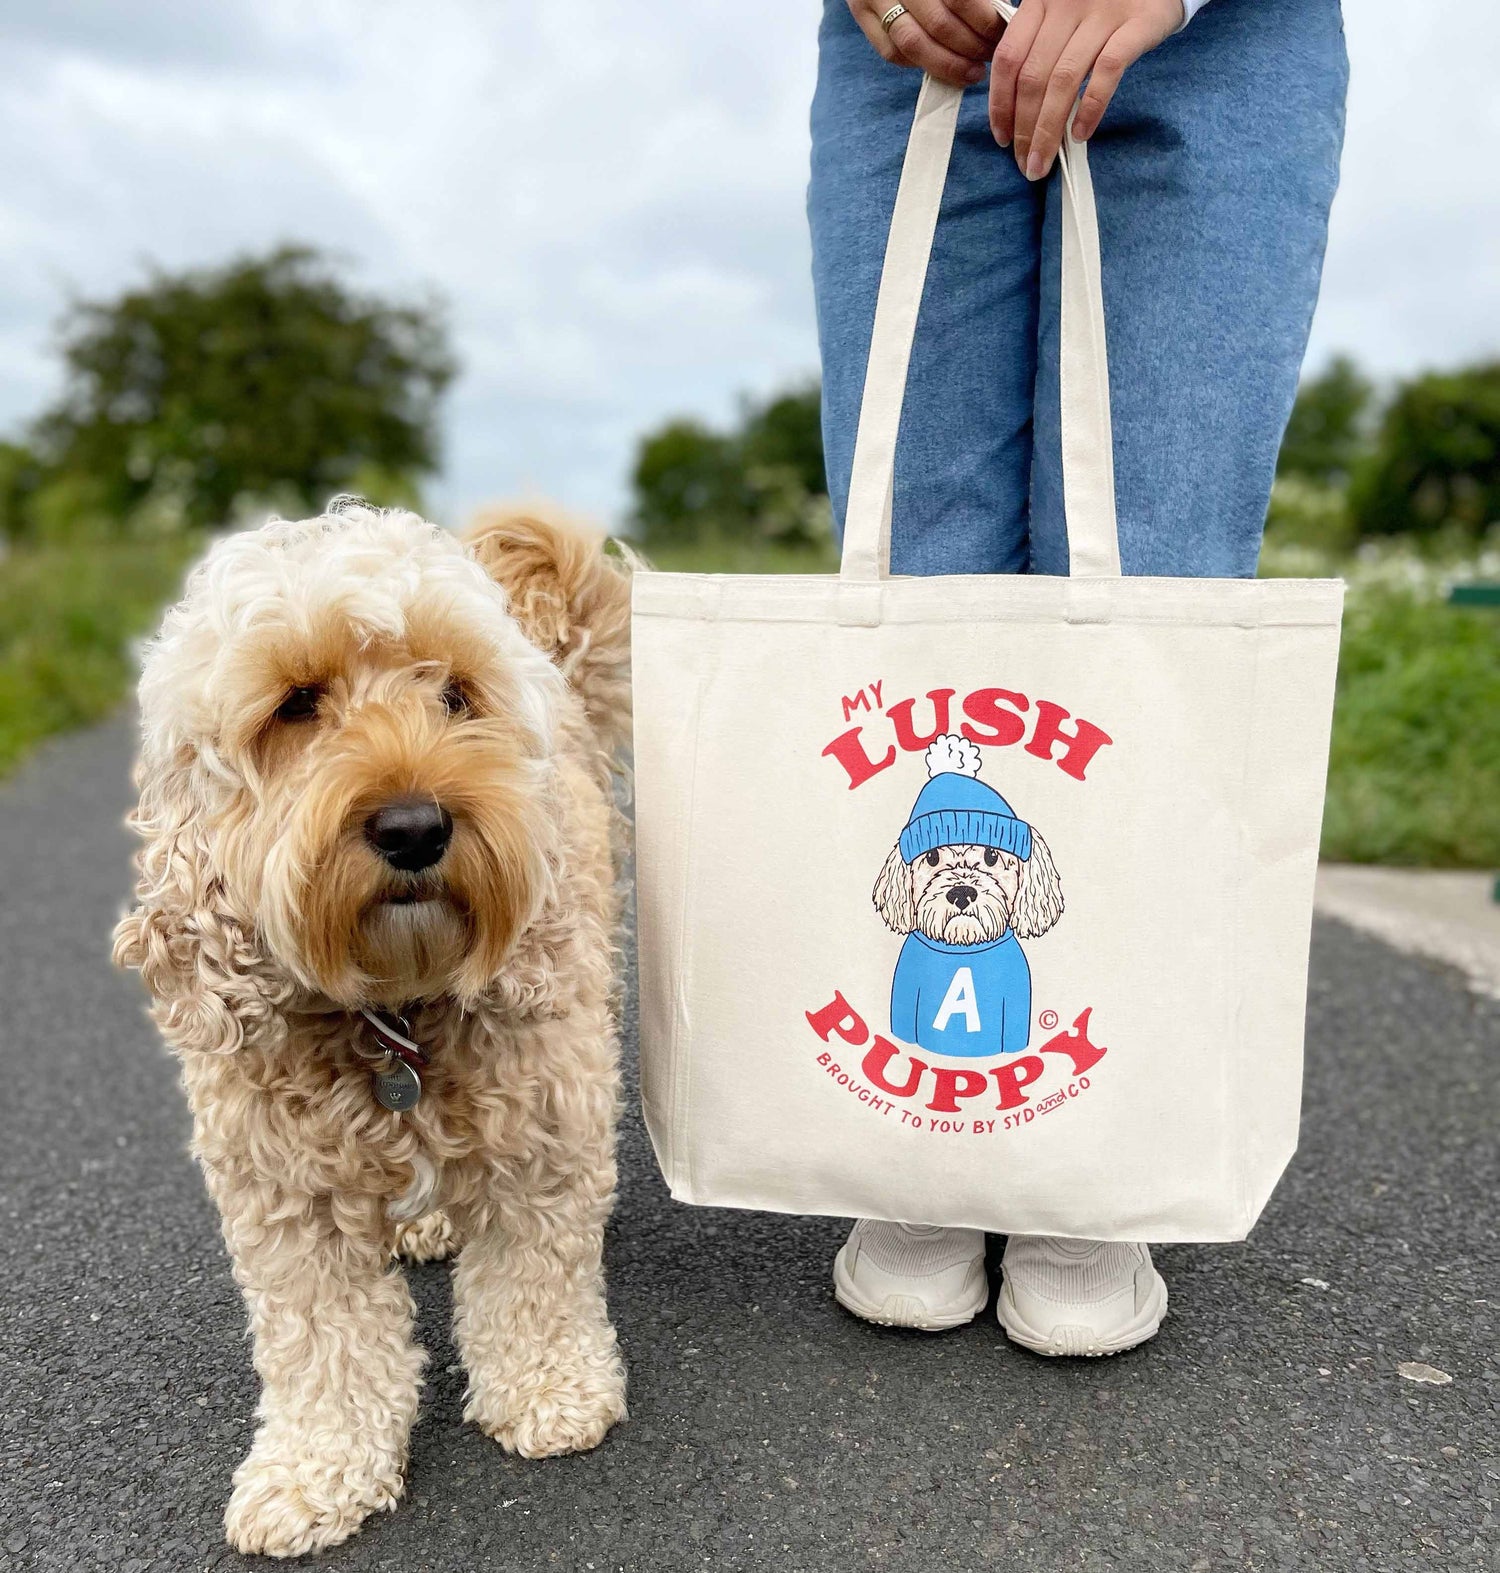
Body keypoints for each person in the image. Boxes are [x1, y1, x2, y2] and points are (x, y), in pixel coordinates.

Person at [809, 0, 1347, 1354]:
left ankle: (1091, 1147)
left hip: (1230, 38)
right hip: (912, 43)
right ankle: (921, 1132)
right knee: (921, 585)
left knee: (1157, 572)